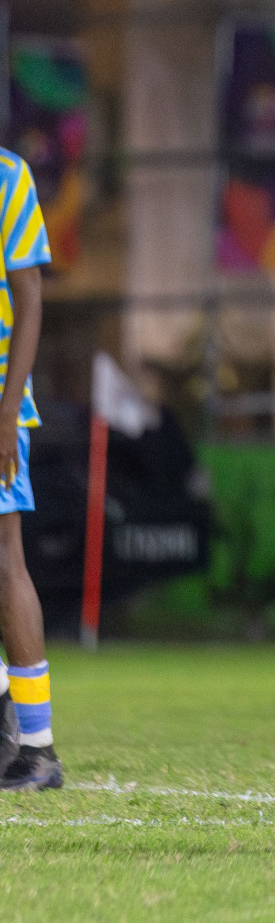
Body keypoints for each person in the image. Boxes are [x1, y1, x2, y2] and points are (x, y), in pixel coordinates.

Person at [0, 147, 64, 790]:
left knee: (4, 558)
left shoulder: (7, 175)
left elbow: (29, 295)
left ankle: (38, 750)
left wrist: (8, 408)